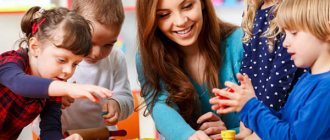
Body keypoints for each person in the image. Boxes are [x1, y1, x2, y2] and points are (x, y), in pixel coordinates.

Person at [210, 0, 330, 139]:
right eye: (285, 34)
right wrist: (247, 104)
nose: (285, 43)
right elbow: (283, 123)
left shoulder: (326, 89)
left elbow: (292, 137)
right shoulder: (306, 80)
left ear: (326, 31)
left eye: (294, 33)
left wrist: (250, 107)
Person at [135, 0, 243, 139]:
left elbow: (270, 120)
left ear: (202, 3)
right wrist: (188, 136)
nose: (180, 21)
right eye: (164, 14)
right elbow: (160, 106)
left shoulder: (240, 43)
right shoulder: (148, 58)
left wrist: (229, 133)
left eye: (187, 6)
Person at [0, 6, 112, 139]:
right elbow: (20, 84)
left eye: (75, 64)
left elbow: (50, 128)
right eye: (62, 60)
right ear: (35, 47)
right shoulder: (9, 63)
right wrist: (67, 88)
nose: (68, 71)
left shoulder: (55, 85)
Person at [61, 0, 133, 133]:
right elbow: (40, 93)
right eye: (90, 42)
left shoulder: (116, 58)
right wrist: (57, 97)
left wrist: (117, 104)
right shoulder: (60, 56)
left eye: (108, 45)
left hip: (103, 134)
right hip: (61, 134)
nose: (96, 53)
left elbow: (127, 99)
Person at [238, 0, 306, 138]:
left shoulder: (288, 10)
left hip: (279, 120)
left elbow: (280, 79)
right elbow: (246, 71)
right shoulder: (253, 11)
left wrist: (258, 132)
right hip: (257, 115)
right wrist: (244, 126)